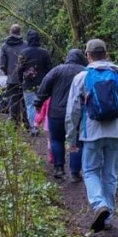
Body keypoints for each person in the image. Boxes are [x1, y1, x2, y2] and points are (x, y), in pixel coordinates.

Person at [66, 39, 118, 233]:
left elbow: (73, 112)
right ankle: (108, 216)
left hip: (92, 132)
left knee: (90, 171)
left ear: (88, 55)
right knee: (110, 174)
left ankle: (98, 203)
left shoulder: (82, 77)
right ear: (106, 53)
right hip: (116, 131)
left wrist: (71, 138)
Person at [35, 48, 88, 180]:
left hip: (56, 112)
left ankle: (59, 168)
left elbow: (44, 86)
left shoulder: (57, 70)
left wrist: (38, 102)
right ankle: (75, 172)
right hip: (78, 113)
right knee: (76, 141)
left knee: (56, 139)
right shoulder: (86, 72)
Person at [16, 29, 52, 135]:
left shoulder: (23, 53)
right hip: (43, 84)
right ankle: (46, 127)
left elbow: (19, 69)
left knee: (30, 106)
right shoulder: (45, 52)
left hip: (28, 83)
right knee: (44, 105)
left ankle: (34, 128)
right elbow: (50, 69)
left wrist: (20, 81)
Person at [0, 24, 28, 127]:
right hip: (25, 78)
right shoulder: (26, 45)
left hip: (12, 78)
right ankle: (27, 123)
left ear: (10, 32)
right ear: (20, 32)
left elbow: (2, 64)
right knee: (25, 100)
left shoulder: (4, 46)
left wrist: (8, 73)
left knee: (13, 100)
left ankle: (15, 123)